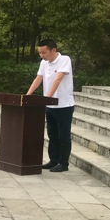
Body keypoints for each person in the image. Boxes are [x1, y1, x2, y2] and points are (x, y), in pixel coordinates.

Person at [26, 39, 75, 173]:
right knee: (52, 134)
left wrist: (47, 98)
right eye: (40, 53)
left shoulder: (64, 60)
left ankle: (63, 163)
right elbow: (38, 78)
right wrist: (28, 95)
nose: (41, 55)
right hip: (50, 106)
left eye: (44, 52)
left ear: (53, 50)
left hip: (64, 105)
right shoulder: (44, 63)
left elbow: (58, 79)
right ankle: (53, 160)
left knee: (63, 136)